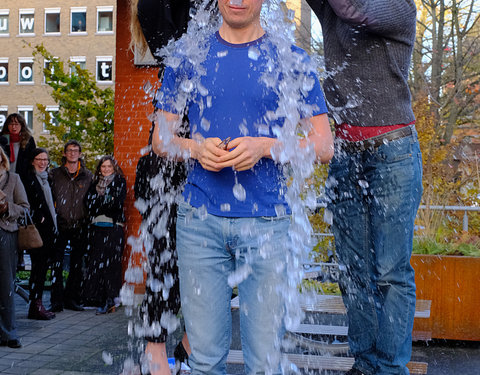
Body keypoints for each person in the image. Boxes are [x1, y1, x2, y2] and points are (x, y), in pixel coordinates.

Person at [152, 1, 334, 374]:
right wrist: (195, 148)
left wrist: (266, 147)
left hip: (268, 225)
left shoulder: (292, 59)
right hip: (198, 222)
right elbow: (161, 138)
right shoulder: (189, 55)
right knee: (203, 361)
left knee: (265, 364)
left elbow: (323, 145)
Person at [306, 1, 423, 374]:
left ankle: (389, 368)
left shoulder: (399, 8)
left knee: (389, 272)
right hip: (344, 153)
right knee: (353, 270)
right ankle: (365, 362)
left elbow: (353, 11)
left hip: (393, 152)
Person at [134, 130, 190, 375]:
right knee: (161, 288)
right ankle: (155, 353)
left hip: (189, 231)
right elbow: (141, 196)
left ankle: (185, 350)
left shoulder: (191, 158)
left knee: (194, 290)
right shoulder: (148, 161)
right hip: (162, 233)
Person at [49, 140, 93, 312]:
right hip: (59, 223)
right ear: (64, 153)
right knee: (57, 263)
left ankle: (72, 299)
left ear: (80, 154)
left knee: (76, 264)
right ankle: (56, 300)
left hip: (81, 223)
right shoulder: (55, 174)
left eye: (76, 150)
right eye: (69, 150)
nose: (73, 153)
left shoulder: (88, 175)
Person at [83, 156, 126, 315]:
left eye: (109, 166)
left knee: (112, 265)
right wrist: (104, 202)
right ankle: (99, 298)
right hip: (97, 228)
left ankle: (111, 299)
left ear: (114, 167)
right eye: (103, 166)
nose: (106, 169)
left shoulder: (119, 181)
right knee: (97, 263)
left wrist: (100, 204)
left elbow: (116, 204)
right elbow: (88, 203)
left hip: (114, 228)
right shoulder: (95, 183)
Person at [23, 148, 57, 320]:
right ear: (32, 161)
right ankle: (35, 305)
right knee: (38, 268)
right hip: (37, 230)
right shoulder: (28, 179)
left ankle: (37, 303)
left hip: (49, 230)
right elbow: (24, 202)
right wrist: (39, 217)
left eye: (45, 159)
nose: (43, 162)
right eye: (39, 159)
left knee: (42, 268)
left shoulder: (47, 179)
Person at [0, 147, 30, 348]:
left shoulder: (13, 179)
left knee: (5, 285)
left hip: (6, 233)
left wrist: (6, 207)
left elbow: (25, 208)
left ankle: (9, 333)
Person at [0, 113, 36, 271]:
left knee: (19, 219)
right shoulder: (2, 140)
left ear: (22, 125)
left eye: (17, 123)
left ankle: (19, 254)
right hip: (3, 182)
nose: (14, 126)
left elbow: (32, 165)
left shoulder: (28, 141)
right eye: (11, 123)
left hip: (21, 184)